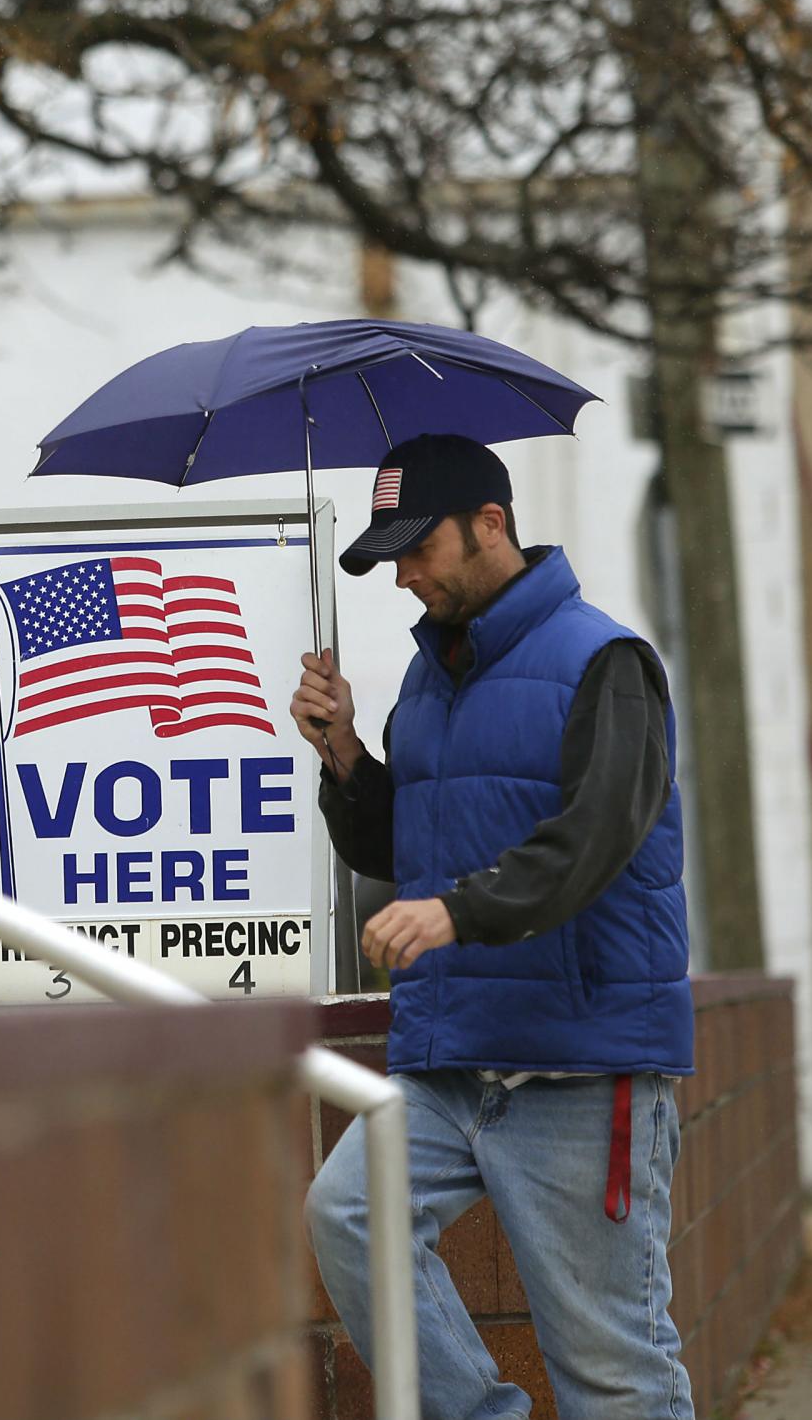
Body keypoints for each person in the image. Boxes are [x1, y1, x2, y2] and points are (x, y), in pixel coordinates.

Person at [295, 432, 693, 1420]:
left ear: (490, 524)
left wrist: (454, 912)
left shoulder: (604, 660)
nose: (405, 577)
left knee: (612, 1375)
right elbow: (401, 844)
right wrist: (345, 751)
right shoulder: (428, 682)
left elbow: (591, 841)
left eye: (417, 548)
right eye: (390, 559)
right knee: (349, 1214)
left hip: (576, 1063)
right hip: (449, 1057)